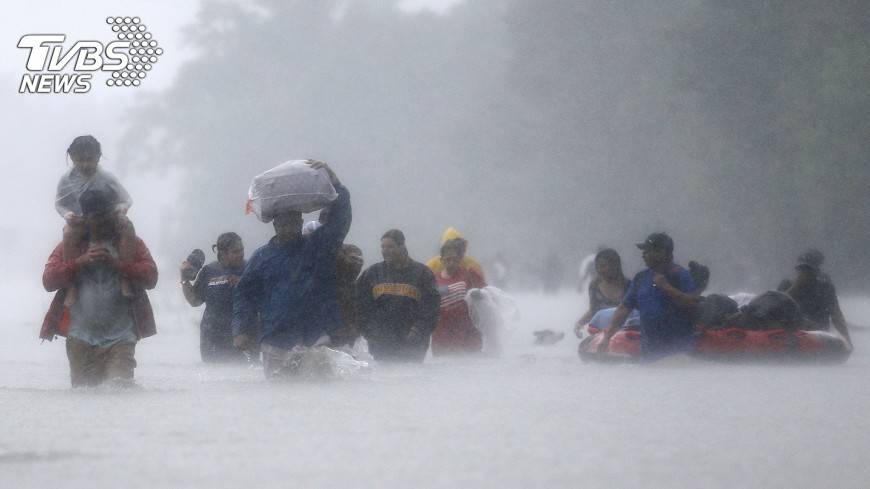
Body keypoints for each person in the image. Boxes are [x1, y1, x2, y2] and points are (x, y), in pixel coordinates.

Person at [231, 161, 350, 378]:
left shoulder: (317, 247)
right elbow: (244, 295)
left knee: (319, 394)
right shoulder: (261, 257)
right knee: (278, 398)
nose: (288, 228)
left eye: (293, 223)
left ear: (300, 222)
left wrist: (336, 183)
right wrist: (240, 329)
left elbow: (340, 222)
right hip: (275, 340)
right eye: (283, 223)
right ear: (275, 225)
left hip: (314, 336)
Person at [40, 187, 158, 387]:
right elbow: (48, 281)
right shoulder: (71, 245)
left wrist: (118, 265)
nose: (102, 222)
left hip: (121, 337)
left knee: (119, 391)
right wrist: (79, 262)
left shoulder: (130, 243)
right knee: (83, 396)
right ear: (85, 218)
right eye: (96, 217)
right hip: (80, 337)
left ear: (113, 214)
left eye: (106, 216)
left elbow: (151, 278)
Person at [56, 135, 137, 302]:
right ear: (72, 158)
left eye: (90, 159)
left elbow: (126, 199)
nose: (85, 165)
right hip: (81, 221)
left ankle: (125, 279)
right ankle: (72, 285)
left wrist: (120, 212)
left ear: (98, 157)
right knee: (68, 232)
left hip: (107, 219)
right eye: (80, 160)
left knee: (128, 227)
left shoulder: (106, 177)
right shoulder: (67, 179)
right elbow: (59, 204)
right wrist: (68, 215)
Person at [598, 232, 699, 360]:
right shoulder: (641, 277)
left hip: (679, 354)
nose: (643, 254)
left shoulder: (680, 275)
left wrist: (667, 287)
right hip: (648, 356)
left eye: (647, 250)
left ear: (661, 252)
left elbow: (694, 304)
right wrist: (607, 337)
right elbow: (623, 309)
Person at [356, 229, 441, 362]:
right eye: (383, 247)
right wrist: (368, 332)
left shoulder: (422, 273)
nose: (385, 250)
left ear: (402, 247)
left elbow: (431, 307)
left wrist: (418, 329)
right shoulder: (372, 273)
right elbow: (359, 305)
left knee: (409, 381)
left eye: (390, 247)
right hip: (380, 346)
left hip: (412, 346)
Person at [181, 232, 255, 362]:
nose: (241, 254)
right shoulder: (209, 271)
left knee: (245, 376)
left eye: (242, 250)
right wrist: (184, 278)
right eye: (235, 251)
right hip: (212, 336)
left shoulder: (250, 269)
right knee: (214, 376)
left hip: (243, 335)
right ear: (222, 254)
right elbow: (195, 301)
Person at [778, 249, 852, 348]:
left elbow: (836, 315)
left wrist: (847, 339)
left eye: (807, 269)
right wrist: (795, 286)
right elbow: (777, 306)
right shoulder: (786, 285)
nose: (804, 273)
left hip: (817, 332)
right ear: (797, 270)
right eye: (801, 269)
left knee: (807, 324)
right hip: (793, 330)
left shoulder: (825, 288)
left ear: (816, 270)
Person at [317, 204, 364, 348]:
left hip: (344, 324)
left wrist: (331, 245)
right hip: (316, 323)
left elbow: (351, 270)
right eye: (325, 224)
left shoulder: (351, 250)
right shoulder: (310, 251)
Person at [430, 239, 487, 355]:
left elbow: (487, 294)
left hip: (468, 335)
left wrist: (477, 296)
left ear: (460, 259)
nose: (451, 263)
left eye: (454, 259)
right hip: (442, 337)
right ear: (441, 260)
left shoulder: (469, 274)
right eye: (447, 259)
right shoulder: (433, 279)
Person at [573, 248, 630, 338]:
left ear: (615, 266)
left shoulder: (629, 285)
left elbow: (634, 311)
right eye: (598, 266)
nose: (600, 270)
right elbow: (593, 310)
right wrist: (578, 324)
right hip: (601, 331)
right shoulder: (594, 286)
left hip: (623, 332)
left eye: (603, 266)